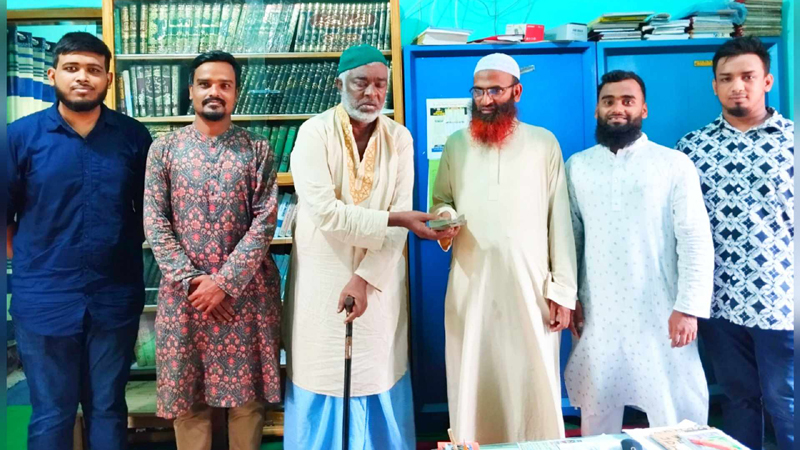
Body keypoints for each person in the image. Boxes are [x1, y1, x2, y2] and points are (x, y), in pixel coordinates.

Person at [283, 44, 450, 450]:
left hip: (378, 281)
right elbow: (327, 214)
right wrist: (397, 219)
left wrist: (363, 279)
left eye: (380, 85)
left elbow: (400, 219)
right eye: (361, 83)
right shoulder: (314, 133)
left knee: (376, 371)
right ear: (339, 84)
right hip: (322, 276)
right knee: (321, 371)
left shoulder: (399, 138)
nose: (371, 93)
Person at [6, 32, 152, 450]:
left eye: (93, 70)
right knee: (52, 411)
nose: (82, 77)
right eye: (72, 68)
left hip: (114, 296)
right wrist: (37, 262)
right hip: (44, 298)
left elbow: (149, 212)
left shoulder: (133, 137)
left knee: (108, 407)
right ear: (52, 75)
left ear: (109, 79)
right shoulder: (19, 137)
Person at [430, 52, 577, 444]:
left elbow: (559, 221)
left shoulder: (544, 143)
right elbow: (441, 201)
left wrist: (563, 291)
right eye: (478, 91)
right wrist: (445, 217)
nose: (485, 100)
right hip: (471, 285)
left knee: (532, 380)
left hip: (531, 288)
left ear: (517, 91)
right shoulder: (456, 144)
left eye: (495, 90)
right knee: (473, 376)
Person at [564, 70, 715, 436]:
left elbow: (695, 239)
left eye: (627, 101)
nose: (617, 108)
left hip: (662, 309)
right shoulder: (578, 166)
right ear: (597, 109)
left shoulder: (673, 164)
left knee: (674, 409)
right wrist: (571, 298)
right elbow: (571, 239)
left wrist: (688, 307)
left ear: (643, 109)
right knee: (598, 409)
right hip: (599, 310)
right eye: (608, 101)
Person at [143, 51, 280, 450]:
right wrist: (194, 282)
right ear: (191, 91)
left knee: (247, 401)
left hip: (245, 295)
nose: (214, 92)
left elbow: (265, 220)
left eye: (225, 85)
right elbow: (155, 219)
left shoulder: (257, 149)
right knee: (189, 399)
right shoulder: (164, 149)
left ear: (236, 93)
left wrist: (224, 283)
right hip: (185, 296)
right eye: (205, 84)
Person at [676, 37, 794, 450]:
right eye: (726, 78)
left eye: (747, 76)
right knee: (737, 399)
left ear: (767, 81)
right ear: (714, 86)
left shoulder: (792, 142)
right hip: (717, 301)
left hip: (782, 300)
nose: (737, 86)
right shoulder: (692, 148)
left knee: (786, 401)